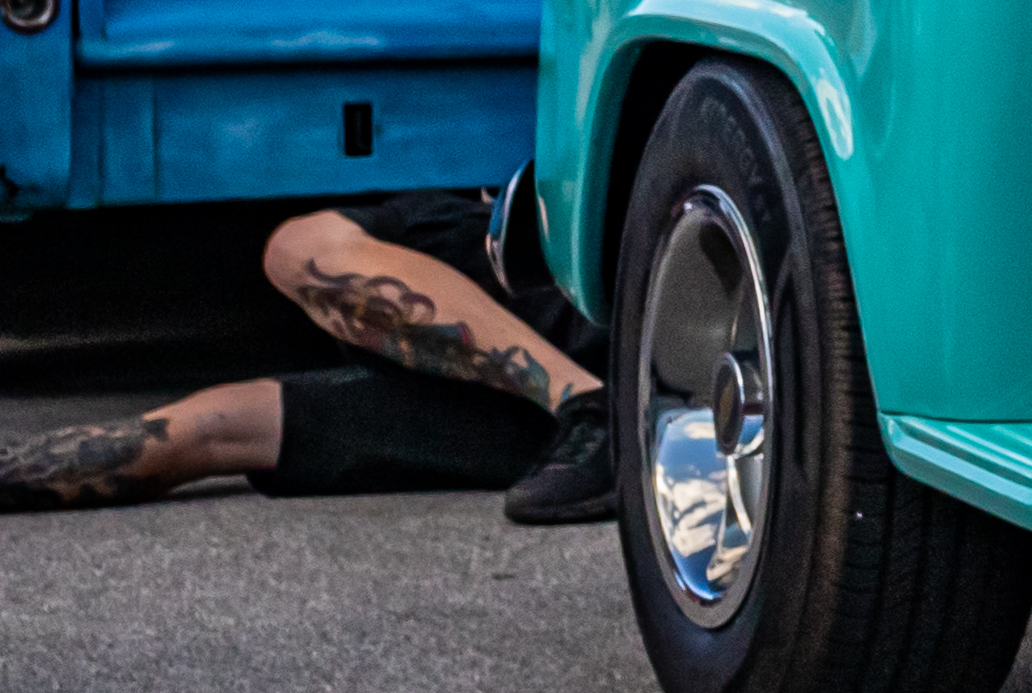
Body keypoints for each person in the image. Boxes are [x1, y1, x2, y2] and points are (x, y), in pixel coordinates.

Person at [0, 191, 610, 520]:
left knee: (298, 249)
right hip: (557, 430)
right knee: (219, 423)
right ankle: (592, 412)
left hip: (606, 343)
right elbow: (202, 439)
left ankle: (589, 406)